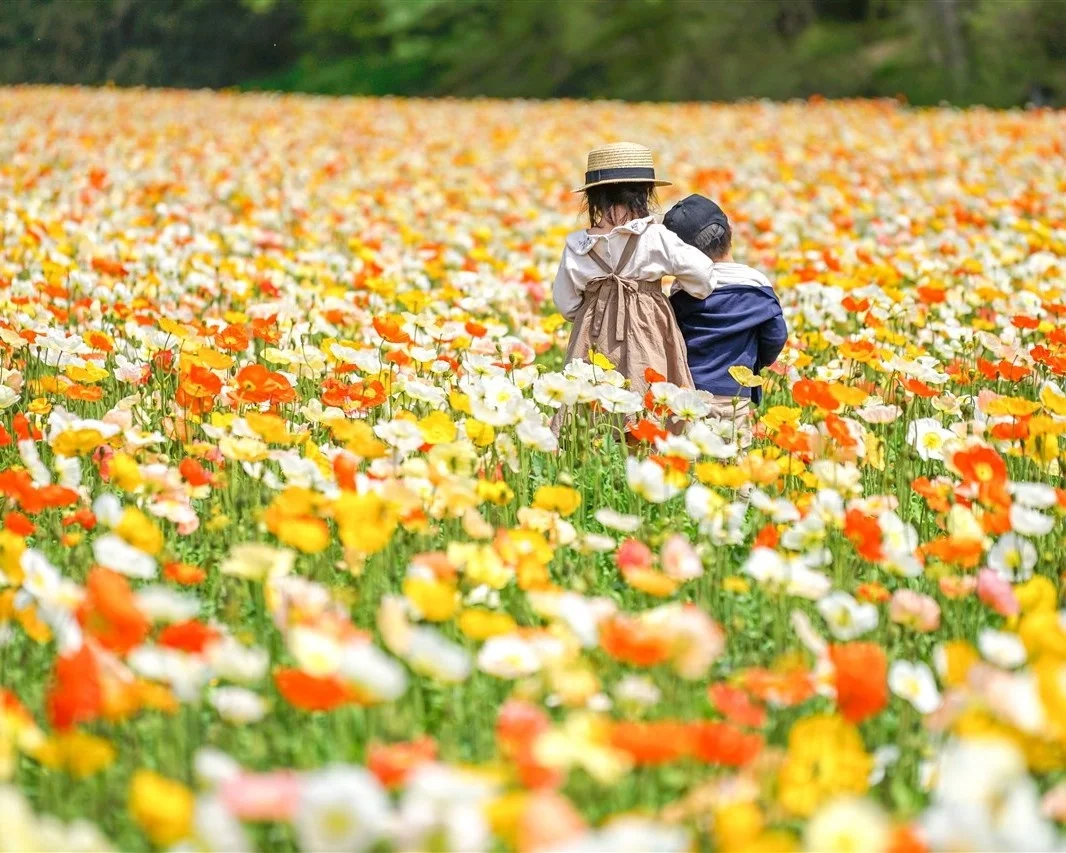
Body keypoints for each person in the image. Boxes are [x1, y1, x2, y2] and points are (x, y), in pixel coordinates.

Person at [552, 143, 718, 434]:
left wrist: (596, 305)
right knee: (649, 394)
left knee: (590, 402)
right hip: (648, 325)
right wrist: (678, 289)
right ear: (645, 193)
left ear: (593, 199)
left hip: (592, 330)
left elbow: (565, 302)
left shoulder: (577, 246)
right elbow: (703, 276)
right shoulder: (656, 237)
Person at [663, 194, 787, 445]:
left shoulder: (683, 291)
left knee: (692, 460)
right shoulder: (757, 285)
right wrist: (754, 363)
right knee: (734, 459)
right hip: (735, 393)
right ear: (730, 230)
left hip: (690, 393)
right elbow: (776, 335)